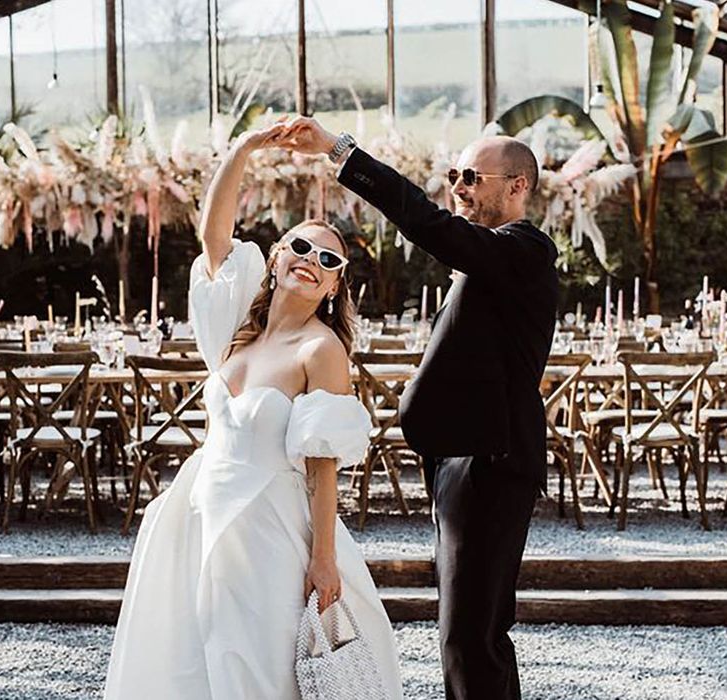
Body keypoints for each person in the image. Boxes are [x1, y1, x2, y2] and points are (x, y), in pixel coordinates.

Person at [104, 123, 403, 700]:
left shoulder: (322, 350)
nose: (310, 260)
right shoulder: (240, 327)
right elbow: (214, 235)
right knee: (192, 660)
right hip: (199, 510)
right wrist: (244, 150)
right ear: (273, 257)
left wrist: (323, 559)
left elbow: (322, 465)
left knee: (258, 663)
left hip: (268, 524)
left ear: (336, 286)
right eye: (299, 246)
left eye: (327, 260)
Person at [276, 119, 558, 700]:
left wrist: (340, 151)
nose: (458, 187)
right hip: (465, 460)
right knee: (473, 632)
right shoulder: (491, 262)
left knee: (468, 636)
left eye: (472, 177)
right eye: (455, 174)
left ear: (518, 186)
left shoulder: (525, 250)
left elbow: (427, 224)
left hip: (491, 459)